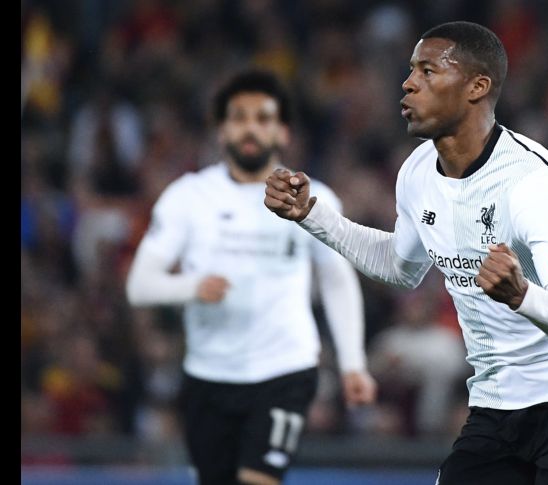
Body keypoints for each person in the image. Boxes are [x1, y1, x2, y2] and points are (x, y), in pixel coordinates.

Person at [265, 21, 548, 485]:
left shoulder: (535, 182)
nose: (408, 83)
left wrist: (521, 294)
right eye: (411, 71)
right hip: (497, 404)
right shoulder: (418, 172)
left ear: (477, 87)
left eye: (427, 71)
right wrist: (313, 215)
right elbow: (400, 268)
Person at [125, 69, 376, 485]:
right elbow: (139, 285)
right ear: (221, 131)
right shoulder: (188, 197)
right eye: (239, 118)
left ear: (283, 133)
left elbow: (337, 280)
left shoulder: (312, 197)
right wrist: (191, 287)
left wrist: (353, 363)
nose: (250, 129)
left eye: (263, 119)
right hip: (208, 373)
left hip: (285, 370)